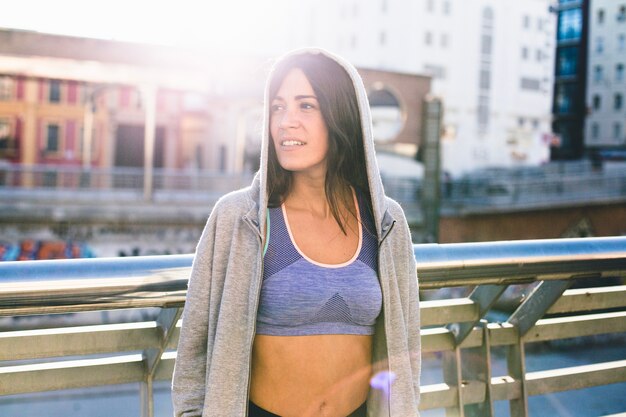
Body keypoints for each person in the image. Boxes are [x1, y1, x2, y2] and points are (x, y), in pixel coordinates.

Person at [172, 48, 421, 417]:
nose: (286, 121)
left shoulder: (386, 224)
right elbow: (193, 352)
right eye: (277, 107)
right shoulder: (240, 218)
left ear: (341, 115)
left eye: (306, 106)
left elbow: (406, 345)